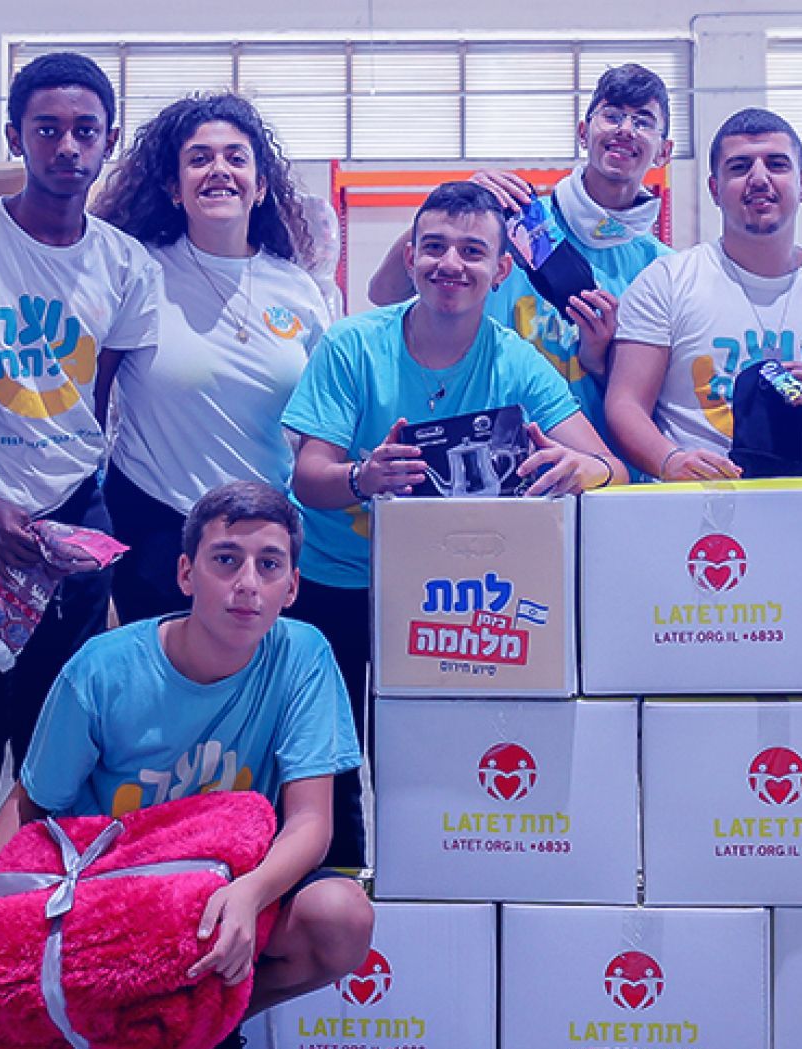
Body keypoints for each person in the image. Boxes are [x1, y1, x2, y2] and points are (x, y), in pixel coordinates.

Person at [0, 51, 160, 1049]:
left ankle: (41, 960)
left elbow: (106, 403)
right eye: (45, 126)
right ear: (14, 136)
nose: (64, 145)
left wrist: (67, 518)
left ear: (106, 139)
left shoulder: (125, 264)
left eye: (84, 128)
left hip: (71, 539)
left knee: (58, 763)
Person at [281, 180, 627, 867]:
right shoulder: (353, 344)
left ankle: (435, 885)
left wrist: (587, 471)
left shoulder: (516, 361)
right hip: (337, 580)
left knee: (430, 748)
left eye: (473, 251)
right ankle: (338, 892)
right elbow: (306, 477)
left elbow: (605, 464)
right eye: (434, 246)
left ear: (501, 271)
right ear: (408, 256)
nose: (451, 264)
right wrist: (362, 477)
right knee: (330, 755)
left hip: (450, 594)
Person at [0, 481, 374, 1049]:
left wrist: (250, 893)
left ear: (291, 587)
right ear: (186, 574)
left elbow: (311, 823)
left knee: (340, 918)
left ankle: (190, 1024)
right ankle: (100, 1022)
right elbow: (28, 802)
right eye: (225, 561)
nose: (246, 585)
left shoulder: (304, 655)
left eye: (268, 566)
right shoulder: (103, 669)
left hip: (217, 897)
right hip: (112, 895)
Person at [92, 93, 332, 628]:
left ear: (261, 184)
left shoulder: (296, 289)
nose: (218, 170)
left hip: (264, 532)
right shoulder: (137, 272)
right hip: (155, 525)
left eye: (235, 157)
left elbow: (324, 422)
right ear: (174, 189)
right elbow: (92, 390)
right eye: (199, 158)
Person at [367, 63, 675, 471]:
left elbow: (648, 403)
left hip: (593, 473)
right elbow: (385, 293)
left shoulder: (665, 270)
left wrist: (599, 360)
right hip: (483, 461)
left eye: (643, 121)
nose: (625, 129)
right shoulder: (515, 223)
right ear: (583, 132)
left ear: (664, 151)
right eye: (612, 115)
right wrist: (455, 209)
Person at [604, 107, 802, 481]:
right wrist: (669, 460)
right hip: (694, 516)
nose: (759, 178)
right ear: (714, 189)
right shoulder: (666, 282)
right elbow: (624, 403)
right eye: (740, 167)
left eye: (776, 164)